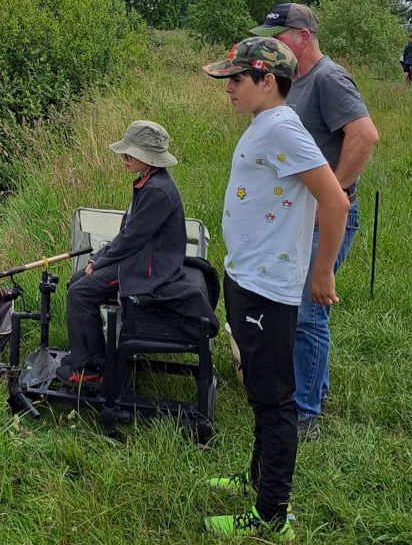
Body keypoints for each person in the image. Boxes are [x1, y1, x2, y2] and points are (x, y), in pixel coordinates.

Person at [201, 36, 349, 541]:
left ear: (268, 81)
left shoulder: (283, 127)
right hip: (248, 275)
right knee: (261, 392)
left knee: (274, 400)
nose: (229, 89)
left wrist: (322, 271)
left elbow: (336, 200)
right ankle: (256, 480)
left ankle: (270, 516)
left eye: (236, 80)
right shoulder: (267, 124)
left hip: (270, 286)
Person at [249, 3, 379, 440]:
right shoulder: (296, 82)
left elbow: (365, 135)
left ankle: (305, 413)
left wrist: (334, 194)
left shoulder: (328, 78)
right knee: (296, 306)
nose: (272, 44)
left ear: (303, 36)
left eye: (278, 36)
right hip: (300, 215)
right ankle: (311, 390)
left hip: (328, 213)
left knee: (309, 310)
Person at [58, 120, 186, 384]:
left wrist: (101, 259)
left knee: (81, 293)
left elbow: (132, 238)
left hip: (149, 268)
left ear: (148, 158)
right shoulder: (149, 181)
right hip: (139, 257)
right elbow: (130, 234)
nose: (124, 158)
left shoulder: (158, 191)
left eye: (130, 154)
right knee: (77, 282)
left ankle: (92, 370)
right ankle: (91, 355)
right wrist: (99, 260)